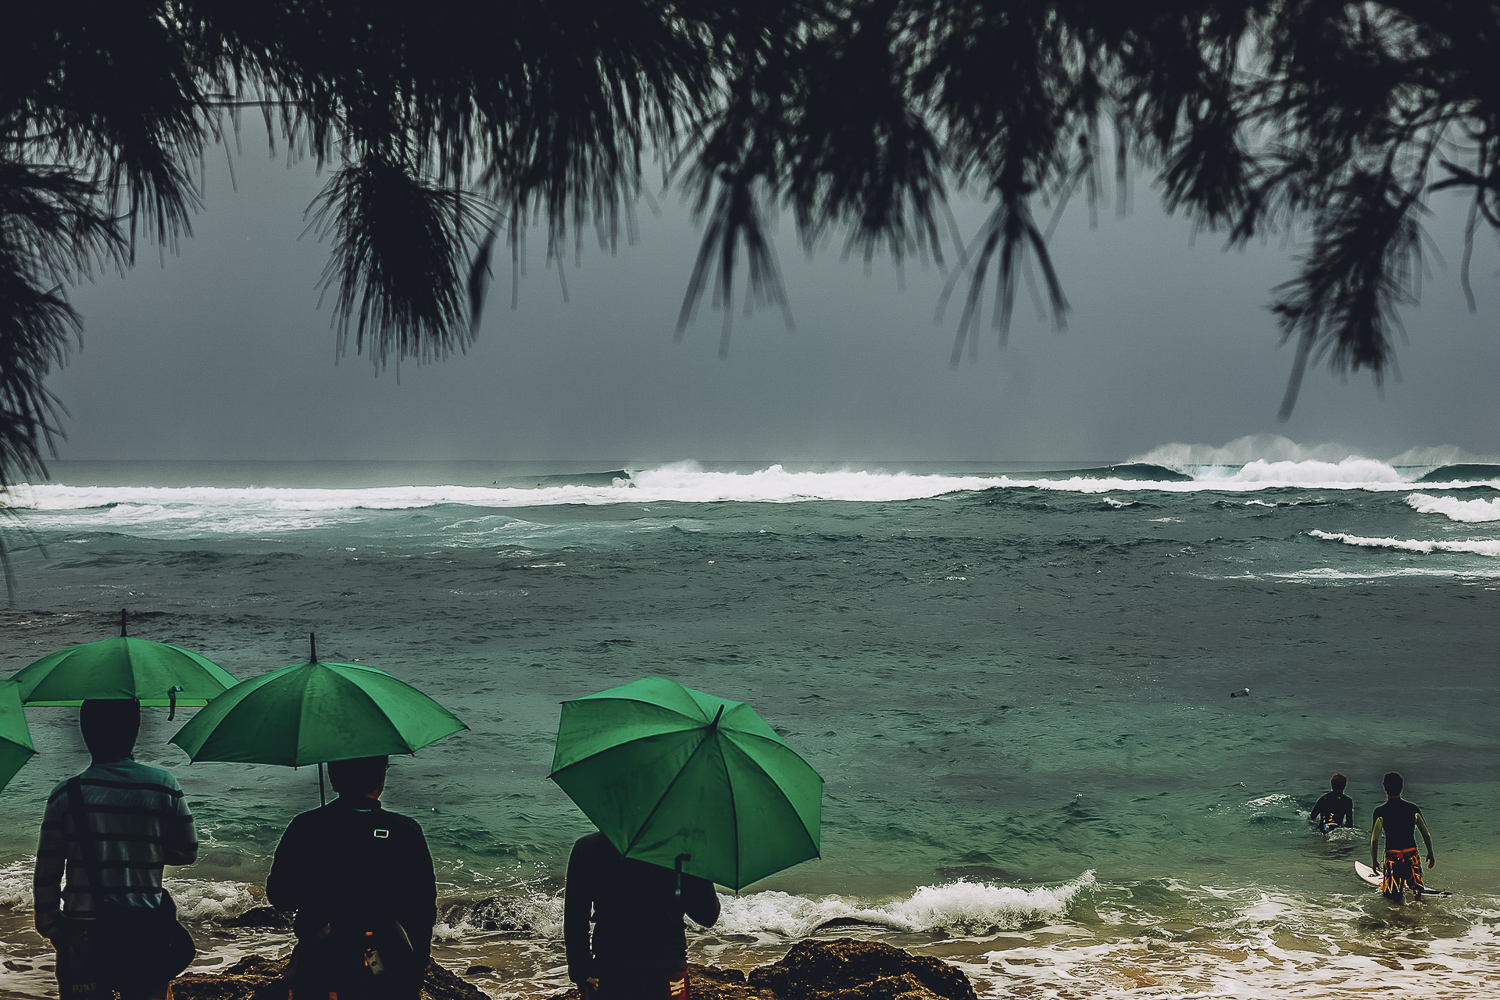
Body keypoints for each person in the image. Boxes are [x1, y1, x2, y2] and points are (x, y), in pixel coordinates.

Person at [33, 699, 199, 1000]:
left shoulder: (65, 794)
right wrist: (140, 847)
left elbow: (47, 872)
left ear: (85, 733)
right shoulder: (163, 785)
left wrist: (54, 931)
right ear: (134, 731)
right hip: (145, 931)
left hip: (82, 936)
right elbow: (186, 852)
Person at [267, 756, 436, 1000]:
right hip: (388, 961)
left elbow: (280, 896)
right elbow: (422, 911)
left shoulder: (306, 826)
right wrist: (416, 967)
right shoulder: (405, 832)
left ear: (333, 778)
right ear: (381, 779)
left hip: (321, 961)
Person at [565, 833, 721, 1000]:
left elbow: (575, 917)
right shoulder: (681, 849)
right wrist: (696, 864)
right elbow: (707, 915)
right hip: (666, 967)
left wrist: (581, 973)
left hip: (610, 967)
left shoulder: (589, 846)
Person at [1370, 771, 1436, 899]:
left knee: (1392, 897)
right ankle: (1420, 916)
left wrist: (1374, 862)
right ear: (1402, 787)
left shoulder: (1380, 812)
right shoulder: (1413, 809)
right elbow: (1426, 834)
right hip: (1411, 855)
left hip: (1393, 857)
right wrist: (1430, 852)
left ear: (1384, 788)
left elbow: (1374, 839)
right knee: (1417, 892)